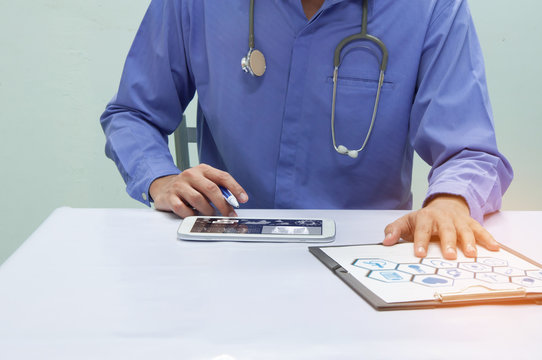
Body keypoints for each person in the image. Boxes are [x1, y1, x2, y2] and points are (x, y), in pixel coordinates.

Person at [100, 0, 513, 260]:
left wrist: (450, 201)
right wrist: (161, 178)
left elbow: (469, 151)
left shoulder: (432, 8)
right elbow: (132, 113)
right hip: (225, 248)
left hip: (369, 255)